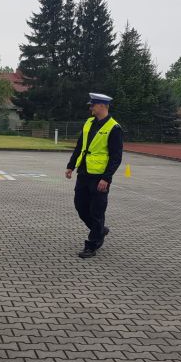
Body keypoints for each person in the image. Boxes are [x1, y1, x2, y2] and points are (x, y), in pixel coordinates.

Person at [65, 92, 123, 258]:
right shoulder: (89, 123)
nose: (90, 107)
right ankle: (100, 230)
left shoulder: (114, 128)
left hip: (100, 177)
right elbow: (79, 146)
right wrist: (71, 166)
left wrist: (107, 177)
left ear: (102, 106)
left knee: (97, 211)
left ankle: (92, 245)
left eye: (93, 105)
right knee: (80, 206)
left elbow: (116, 157)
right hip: (83, 173)